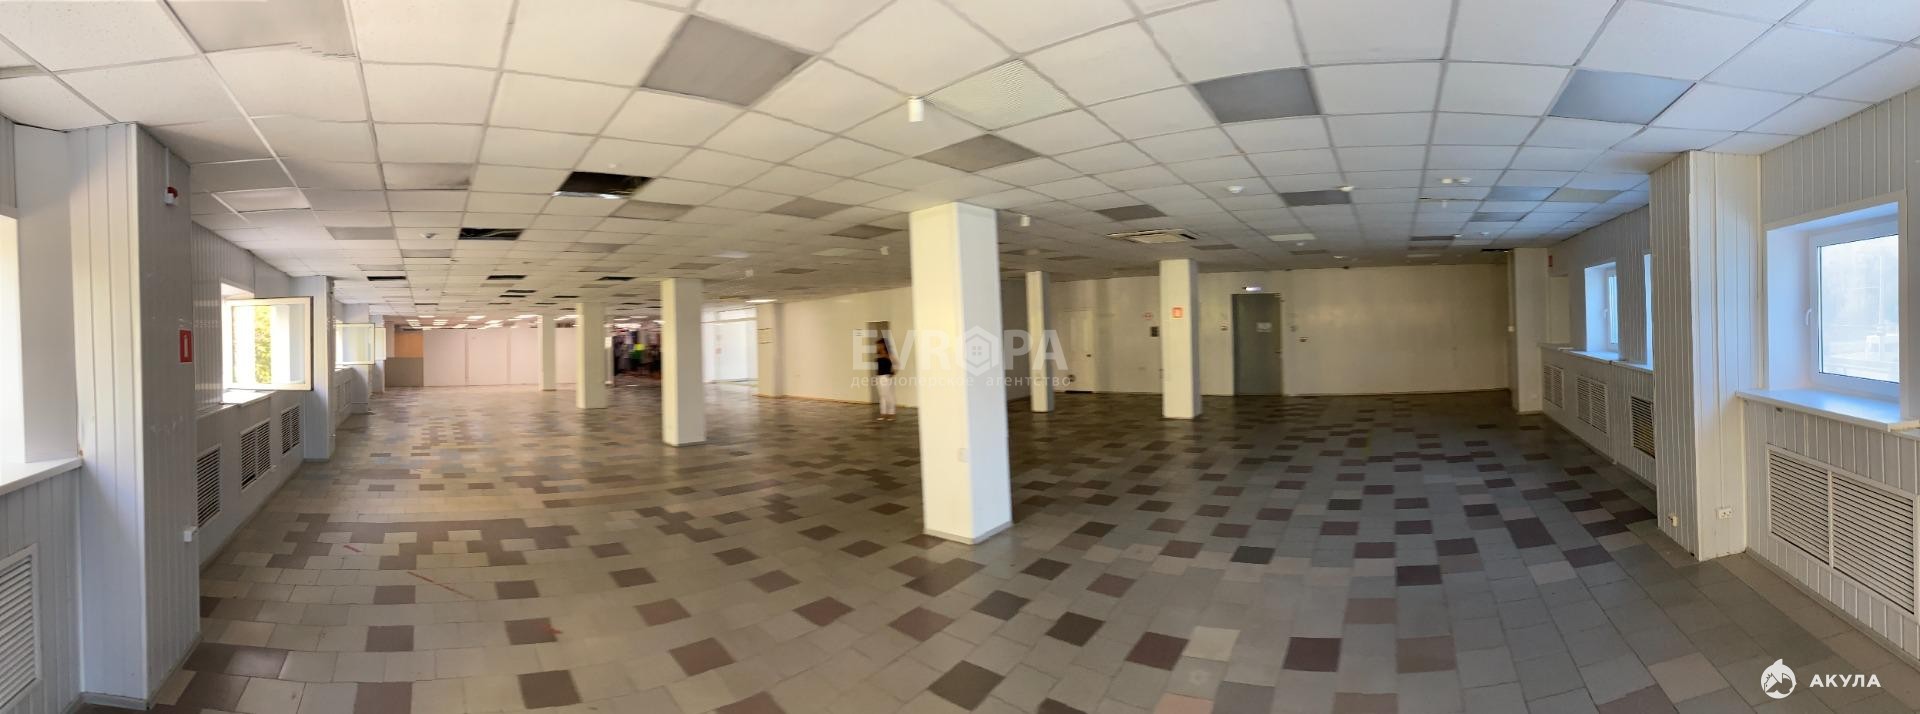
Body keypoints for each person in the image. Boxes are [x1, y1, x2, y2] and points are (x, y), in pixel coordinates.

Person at [874, 338, 896, 421]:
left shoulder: (889, 355)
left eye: (880, 345)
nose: (878, 346)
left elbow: (896, 364)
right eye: (878, 345)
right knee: (882, 396)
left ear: (884, 345)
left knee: (888, 395)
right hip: (879, 377)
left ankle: (891, 413)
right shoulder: (878, 355)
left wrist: (892, 373)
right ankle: (883, 413)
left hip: (886, 377)